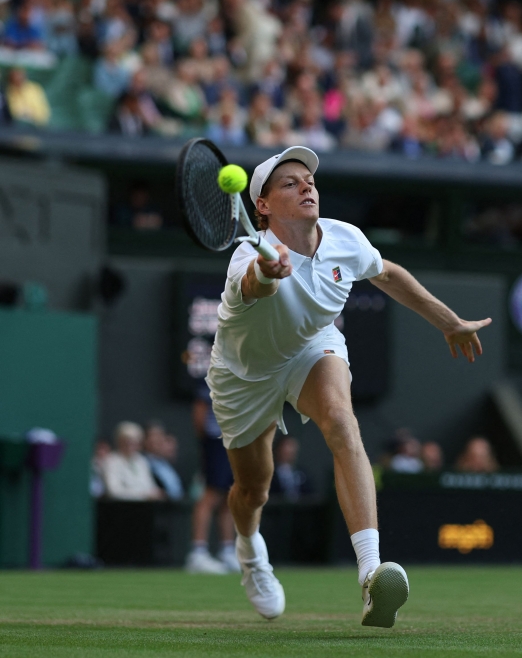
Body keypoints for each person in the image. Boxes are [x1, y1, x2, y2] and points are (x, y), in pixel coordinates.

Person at [207, 146, 491, 625]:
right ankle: (251, 552)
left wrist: (448, 321)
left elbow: (389, 275)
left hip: (311, 345)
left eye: (309, 180)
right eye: (290, 183)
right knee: (253, 490)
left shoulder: (345, 239)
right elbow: (255, 286)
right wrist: (268, 273)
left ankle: (371, 574)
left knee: (341, 421)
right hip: (244, 374)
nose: (307, 187)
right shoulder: (245, 260)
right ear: (262, 205)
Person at [187, 382, 239, 575]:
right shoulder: (213, 374)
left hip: (233, 441)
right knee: (211, 495)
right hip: (216, 441)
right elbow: (200, 413)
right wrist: (208, 441)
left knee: (228, 497)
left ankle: (227, 551)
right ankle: (197, 553)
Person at [102, 421, 163, 501]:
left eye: (135, 442)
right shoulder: (110, 461)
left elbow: (150, 486)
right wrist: (143, 495)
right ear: (119, 442)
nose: (131, 446)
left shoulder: (141, 461)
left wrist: (155, 493)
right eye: (127, 442)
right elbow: (114, 492)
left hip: (145, 508)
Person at [144, 421, 184, 501]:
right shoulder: (142, 462)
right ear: (145, 439)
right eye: (153, 435)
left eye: (160, 435)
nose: (157, 439)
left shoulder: (167, 463)